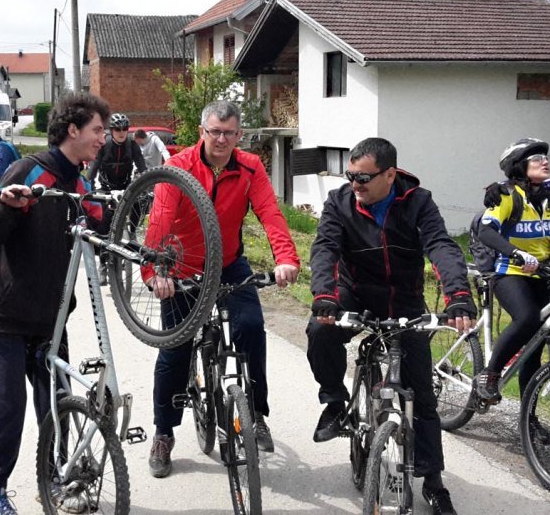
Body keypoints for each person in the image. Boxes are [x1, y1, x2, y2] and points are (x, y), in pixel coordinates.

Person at [307, 137, 476, 515]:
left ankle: (433, 482)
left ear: (390, 174)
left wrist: (458, 295)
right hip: (353, 294)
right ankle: (334, 402)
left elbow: (441, 246)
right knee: (320, 331)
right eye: (350, 176)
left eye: (364, 178)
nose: (356, 185)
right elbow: (325, 248)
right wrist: (326, 295)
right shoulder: (340, 202)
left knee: (423, 398)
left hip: (404, 301)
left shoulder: (418, 201)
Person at [143, 100, 300, 477]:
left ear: (239, 135)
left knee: (250, 327)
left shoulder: (250, 167)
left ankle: (257, 414)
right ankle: (164, 432)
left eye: (229, 133)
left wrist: (285, 258)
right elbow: (161, 220)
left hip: (229, 264)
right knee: (175, 350)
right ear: (202, 132)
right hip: (181, 268)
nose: (221, 139)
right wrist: (155, 272)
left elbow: (270, 213)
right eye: (215, 131)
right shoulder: (178, 168)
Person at [0, 92, 109, 515]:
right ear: (73, 130)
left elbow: (99, 232)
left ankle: (54, 479)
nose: (103, 139)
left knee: (56, 408)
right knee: (8, 412)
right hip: (6, 317)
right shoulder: (29, 170)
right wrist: (5, 204)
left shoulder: (81, 182)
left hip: (51, 320)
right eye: (97, 130)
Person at [479, 138, 550, 407]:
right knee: (527, 318)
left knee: (535, 348)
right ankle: (490, 373)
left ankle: (528, 418)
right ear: (520, 166)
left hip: (540, 274)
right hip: (510, 272)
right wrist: (516, 253)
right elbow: (486, 231)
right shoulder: (506, 195)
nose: (545, 160)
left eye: (546, 156)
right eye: (536, 158)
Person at [86, 113, 146, 284]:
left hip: (125, 186)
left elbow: (142, 166)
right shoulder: (104, 145)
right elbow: (93, 168)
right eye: (117, 129)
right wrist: (87, 188)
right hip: (105, 187)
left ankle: (132, 233)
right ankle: (103, 264)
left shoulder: (132, 145)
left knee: (140, 200)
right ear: (111, 131)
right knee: (104, 223)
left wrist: (150, 182)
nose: (121, 132)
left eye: (124, 129)